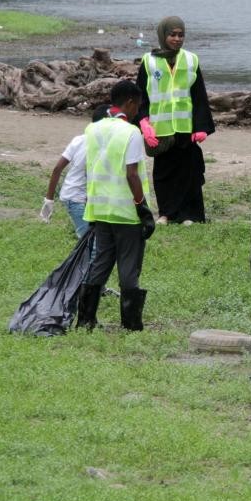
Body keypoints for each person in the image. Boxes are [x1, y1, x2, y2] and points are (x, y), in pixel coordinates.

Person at [76, 80, 155, 332]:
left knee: (100, 262)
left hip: (100, 209)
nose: (137, 112)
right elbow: (132, 174)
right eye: (137, 107)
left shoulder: (93, 129)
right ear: (130, 102)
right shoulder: (130, 132)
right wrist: (142, 208)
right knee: (129, 267)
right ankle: (131, 323)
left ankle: (86, 319)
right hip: (125, 211)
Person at [135, 16, 215, 225]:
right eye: (172, 34)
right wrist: (143, 123)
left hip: (185, 127)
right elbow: (140, 95)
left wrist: (201, 127)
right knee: (163, 172)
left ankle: (190, 214)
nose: (177, 39)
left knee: (188, 171)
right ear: (163, 35)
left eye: (181, 35)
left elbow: (199, 96)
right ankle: (166, 213)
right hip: (160, 129)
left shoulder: (191, 60)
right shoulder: (149, 61)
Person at [40, 104, 111, 238]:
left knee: (93, 240)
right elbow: (57, 169)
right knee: (90, 242)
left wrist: (49, 199)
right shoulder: (100, 144)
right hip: (75, 198)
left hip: (85, 198)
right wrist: (48, 200)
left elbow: (57, 169)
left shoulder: (80, 140)